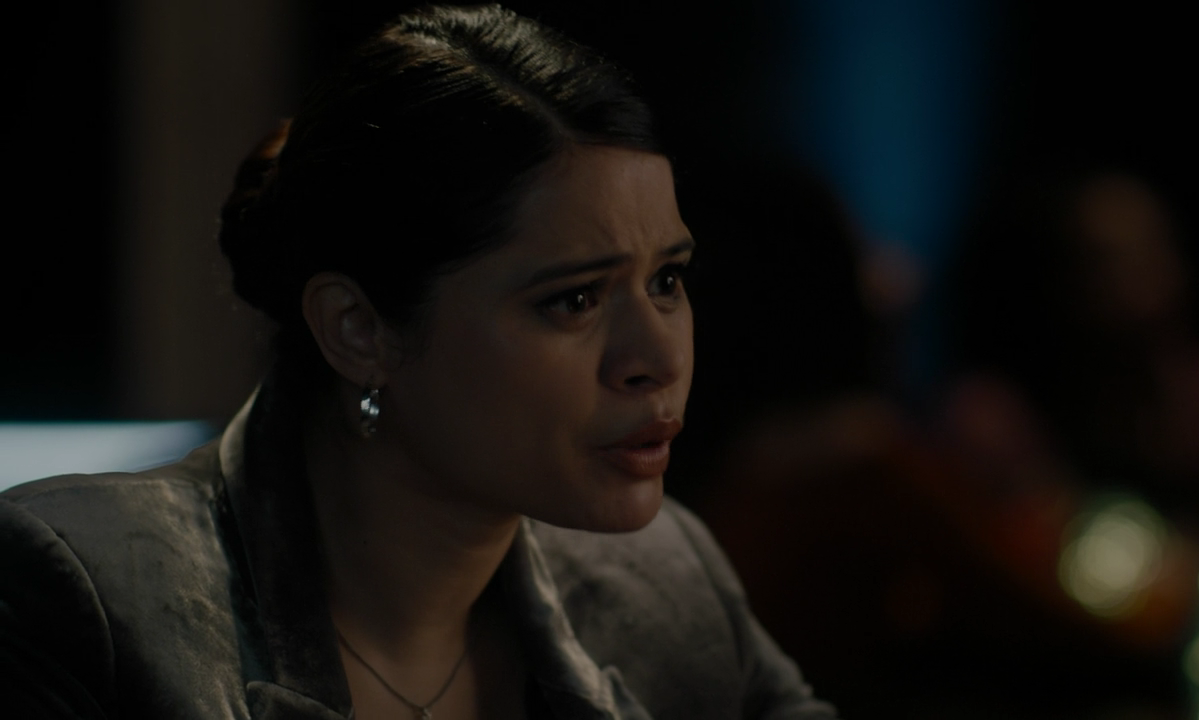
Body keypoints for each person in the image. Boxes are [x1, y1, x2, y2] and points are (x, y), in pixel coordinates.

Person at [0, 5, 837, 718]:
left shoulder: (664, 583)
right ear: (359, 331)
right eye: (574, 299)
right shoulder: (89, 592)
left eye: (666, 280)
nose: (655, 357)